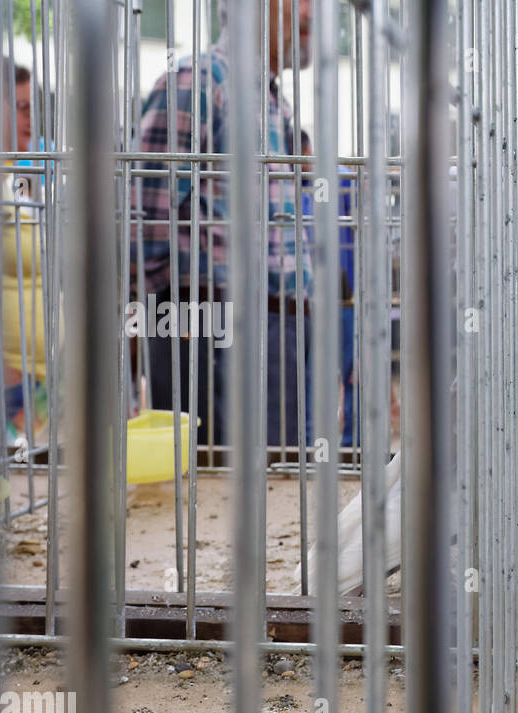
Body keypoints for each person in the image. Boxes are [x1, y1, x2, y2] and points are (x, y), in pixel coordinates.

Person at [131, 0, 313, 448]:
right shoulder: (198, 80)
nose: (312, 12)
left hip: (272, 323)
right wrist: (176, 310)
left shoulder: (269, 96)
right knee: (215, 484)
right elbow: (146, 212)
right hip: (211, 323)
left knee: (276, 489)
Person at [1, 61, 52, 445]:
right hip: (2, 390)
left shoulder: (12, 180)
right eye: (20, 107)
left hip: (34, 390)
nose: (31, 119)